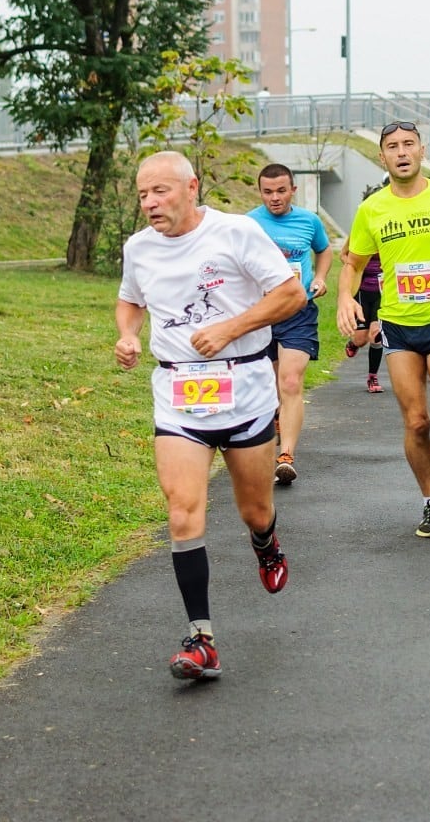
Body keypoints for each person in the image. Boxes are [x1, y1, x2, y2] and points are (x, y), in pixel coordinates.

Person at [115, 151, 306, 681]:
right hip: (177, 392)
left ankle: (266, 542)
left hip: (243, 386)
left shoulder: (235, 233)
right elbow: (130, 299)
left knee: (254, 510)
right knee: (182, 511)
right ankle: (202, 638)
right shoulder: (139, 248)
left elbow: (289, 293)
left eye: (161, 191)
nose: (150, 203)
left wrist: (229, 328)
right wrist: (129, 334)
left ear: (191, 187)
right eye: (142, 194)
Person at [337, 121, 430, 539]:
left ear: (421, 151)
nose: (401, 152)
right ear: (382, 157)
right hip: (399, 328)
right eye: (391, 147)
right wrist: (345, 298)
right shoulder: (373, 209)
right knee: (417, 421)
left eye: (408, 144)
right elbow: (353, 261)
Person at [248, 163, 333, 485]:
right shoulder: (247, 223)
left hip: (299, 311)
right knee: (269, 390)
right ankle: (276, 422)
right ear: (260, 192)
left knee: (291, 383)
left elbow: (324, 251)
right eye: (268, 192)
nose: (274, 198)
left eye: (281, 190)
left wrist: (321, 277)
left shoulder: (309, 221)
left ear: (293, 190)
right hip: (261, 314)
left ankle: (286, 456)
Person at [341, 183, 385, 393]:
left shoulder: (392, 226)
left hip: (384, 291)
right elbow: (344, 254)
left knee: (376, 334)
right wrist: (354, 266)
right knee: (360, 338)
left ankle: (373, 377)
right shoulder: (361, 229)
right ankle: (353, 344)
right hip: (362, 289)